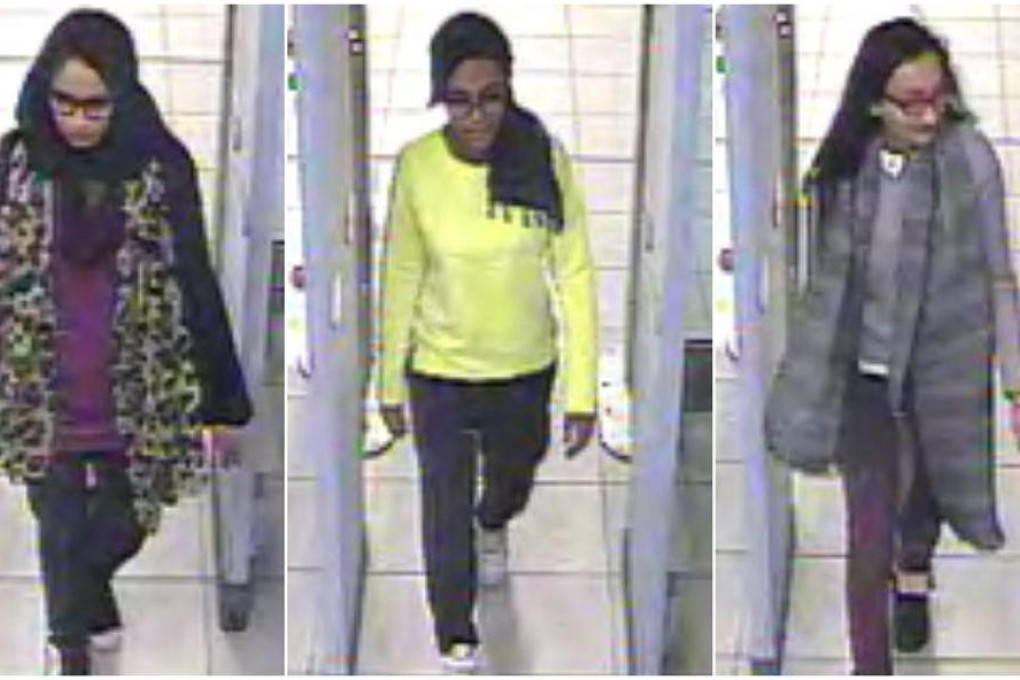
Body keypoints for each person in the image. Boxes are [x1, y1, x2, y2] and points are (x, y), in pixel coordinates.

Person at [765, 17, 1020, 675]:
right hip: (866, 381)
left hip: (942, 372)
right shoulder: (844, 172)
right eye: (911, 103)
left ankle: (916, 573)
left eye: (938, 97)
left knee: (924, 502)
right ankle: (868, 666)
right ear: (874, 101)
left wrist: (1016, 383)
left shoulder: (972, 163)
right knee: (866, 536)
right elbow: (818, 282)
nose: (930, 115)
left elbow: (998, 276)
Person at [0, 10, 252, 674]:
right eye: (65, 103)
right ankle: (70, 648)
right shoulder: (14, 163)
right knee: (58, 529)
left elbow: (196, 281)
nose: (78, 121)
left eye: (95, 106)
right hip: (40, 395)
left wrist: (224, 405)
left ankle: (88, 599)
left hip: (135, 393)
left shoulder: (161, 168)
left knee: (124, 524)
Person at [376, 11, 598, 673]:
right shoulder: (417, 167)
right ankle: (453, 623)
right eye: (459, 100)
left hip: (524, 366)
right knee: (442, 502)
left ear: (510, 92)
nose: (475, 116)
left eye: (490, 98)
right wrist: (388, 380)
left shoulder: (542, 158)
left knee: (512, 478)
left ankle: (495, 518)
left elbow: (577, 272)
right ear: (439, 97)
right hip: (439, 370)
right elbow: (401, 273)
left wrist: (583, 391)